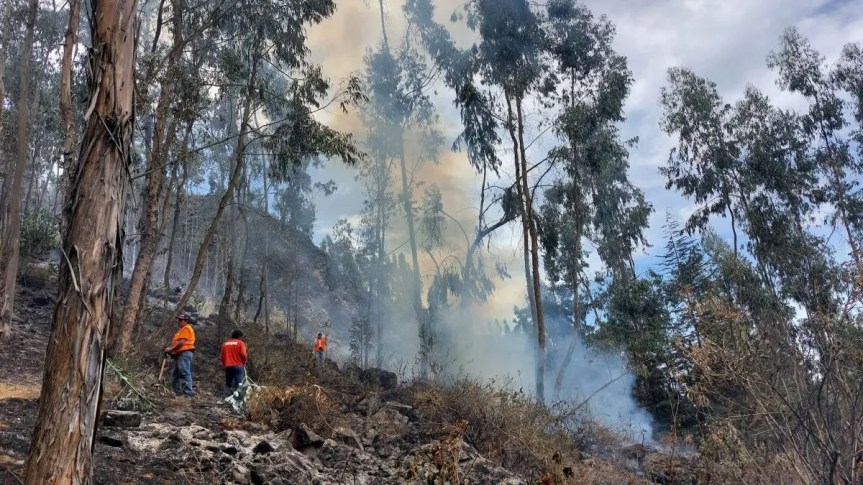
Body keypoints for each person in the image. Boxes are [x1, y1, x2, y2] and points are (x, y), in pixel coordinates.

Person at [165, 313, 195, 397]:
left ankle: (188, 392)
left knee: (184, 372)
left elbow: (181, 342)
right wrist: (172, 351)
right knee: (176, 373)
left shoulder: (186, 328)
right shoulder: (182, 329)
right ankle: (177, 391)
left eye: (180, 320)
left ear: (186, 321)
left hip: (184, 353)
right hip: (181, 354)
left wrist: (171, 349)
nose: (178, 321)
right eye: (178, 319)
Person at [221, 329, 248, 395]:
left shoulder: (225, 344)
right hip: (238, 366)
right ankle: (238, 398)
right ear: (239, 337)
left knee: (228, 383)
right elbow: (244, 355)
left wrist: (225, 364)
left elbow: (222, 356)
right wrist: (244, 362)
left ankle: (225, 397)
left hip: (228, 366)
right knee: (239, 384)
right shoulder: (241, 343)